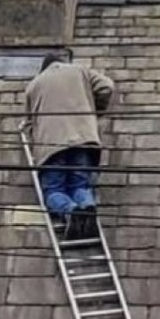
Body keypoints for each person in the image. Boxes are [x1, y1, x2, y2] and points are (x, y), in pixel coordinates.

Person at [24, 51, 114, 236]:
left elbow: (30, 125)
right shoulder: (79, 70)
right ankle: (87, 206)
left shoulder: (34, 85)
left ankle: (70, 210)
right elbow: (106, 87)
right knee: (80, 185)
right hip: (83, 138)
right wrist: (93, 110)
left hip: (51, 146)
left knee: (53, 190)